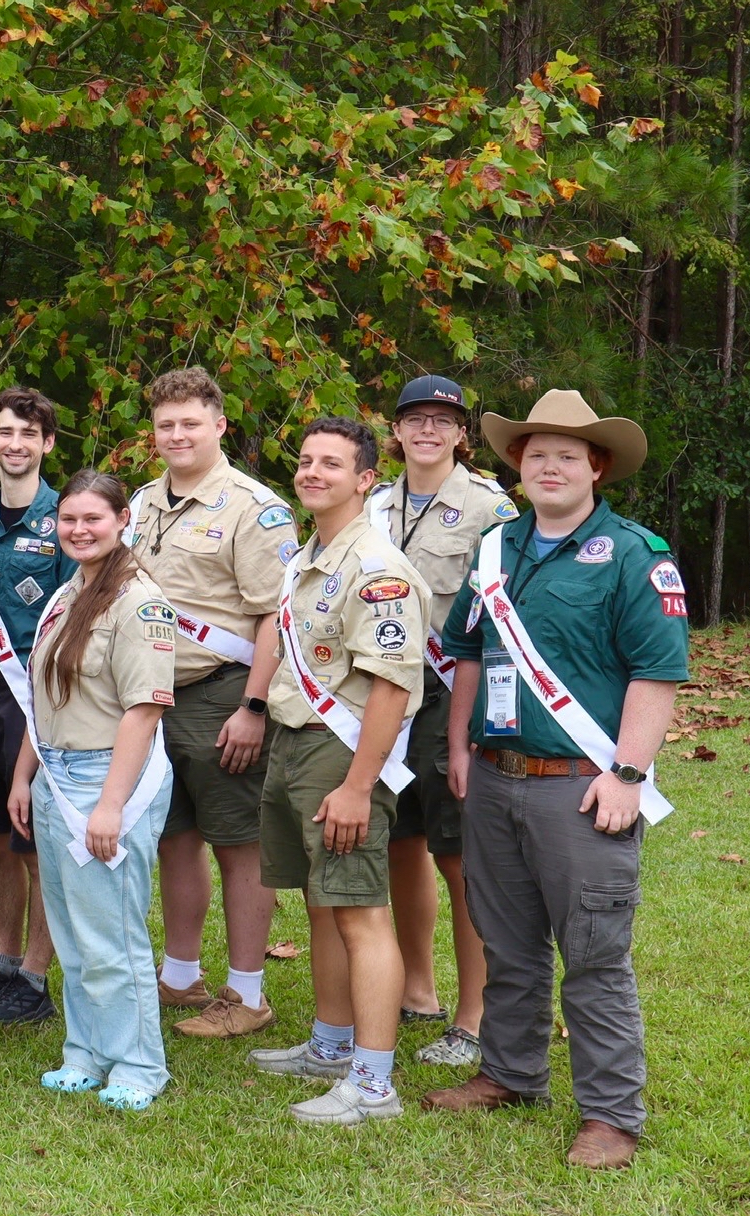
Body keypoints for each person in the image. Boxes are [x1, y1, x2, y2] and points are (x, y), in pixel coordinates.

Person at [422, 390, 687, 1172]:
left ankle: (611, 1114)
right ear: (518, 465)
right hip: (495, 777)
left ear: (596, 468)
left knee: (594, 954)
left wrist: (628, 773)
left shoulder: (636, 554)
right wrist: (460, 746)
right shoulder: (495, 548)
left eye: (567, 456)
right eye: (537, 454)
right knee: (506, 942)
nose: (550, 467)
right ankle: (510, 1073)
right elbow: (470, 653)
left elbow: (657, 672)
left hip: (581, 786)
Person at [248, 417, 423, 1126]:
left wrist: (357, 786)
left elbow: (391, 686)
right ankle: (331, 1045)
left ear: (365, 479)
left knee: (360, 911)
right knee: (323, 901)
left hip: (340, 751)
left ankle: (374, 1084)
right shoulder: (309, 555)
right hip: (294, 740)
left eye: (331, 463)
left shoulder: (377, 569)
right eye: (306, 460)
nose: (312, 472)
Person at [127, 367, 294, 1038]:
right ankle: (180, 975)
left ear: (219, 426)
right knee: (174, 838)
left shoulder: (254, 508)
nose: (177, 435)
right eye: (166, 424)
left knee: (238, 844)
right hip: (152, 695)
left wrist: (254, 707)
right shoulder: (142, 502)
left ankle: (247, 994)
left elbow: (276, 615)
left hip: (222, 692)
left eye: (191, 423)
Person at [6, 470, 175, 1111]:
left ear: (122, 520)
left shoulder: (139, 601)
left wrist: (110, 805)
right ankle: (86, 1051)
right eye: (69, 519)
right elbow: (43, 698)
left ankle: (137, 1065)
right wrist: (24, 775)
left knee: (112, 935)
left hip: (106, 780)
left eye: (93, 519)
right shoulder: (70, 592)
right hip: (56, 774)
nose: (79, 530)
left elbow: (144, 709)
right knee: (73, 933)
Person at [367, 375, 517, 1068]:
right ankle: (417, 990)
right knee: (400, 841)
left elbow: (507, 615)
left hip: (453, 693)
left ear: (461, 434)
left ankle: (474, 1017)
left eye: (443, 420)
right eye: (415, 419)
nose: (428, 430)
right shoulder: (374, 504)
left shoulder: (491, 508)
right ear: (396, 431)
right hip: (383, 695)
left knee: (456, 855)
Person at [0, 388, 75, 1027]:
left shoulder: (65, 520)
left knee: (34, 841)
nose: (15, 444)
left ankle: (34, 977)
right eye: (5, 432)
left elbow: (74, 615)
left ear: (47, 443)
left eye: (28, 433)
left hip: (32, 691)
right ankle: (2, 962)